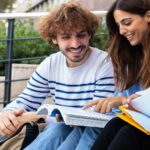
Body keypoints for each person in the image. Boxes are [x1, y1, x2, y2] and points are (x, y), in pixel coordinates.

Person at [0, 2, 115, 150]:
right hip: (61, 129)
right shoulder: (50, 64)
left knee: (59, 128)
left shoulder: (104, 63)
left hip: (92, 132)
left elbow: (98, 116)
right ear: (54, 39)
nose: (75, 44)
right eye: (66, 37)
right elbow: (26, 100)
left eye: (81, 35)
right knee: (57, 129)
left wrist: (40, 117)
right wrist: (6, 114)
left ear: (89, 35)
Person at [87, 0, 150, 149]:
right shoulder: (134, 59)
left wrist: (125, 100)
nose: (121, 31)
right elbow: (120, 109)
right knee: (115, 124)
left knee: (129, 133)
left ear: (148, 16)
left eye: (127, 23)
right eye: (119, 25)